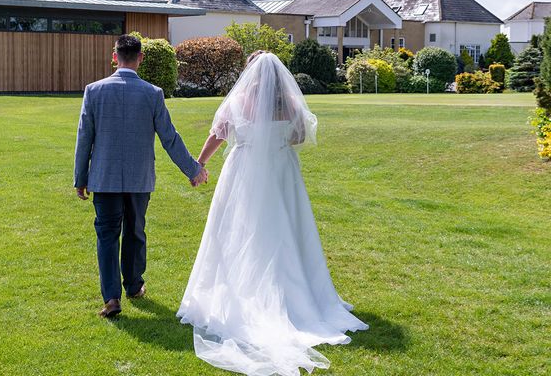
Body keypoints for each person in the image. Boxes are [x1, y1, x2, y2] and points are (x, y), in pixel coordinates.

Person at [178, 51, 368, 375]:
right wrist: (276, 140)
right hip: (281, 172)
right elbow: (300, 136)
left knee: (237, 232)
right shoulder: (289, 104)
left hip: (244, 172)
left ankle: (243, 291)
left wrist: (200, 163)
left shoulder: (238, 100)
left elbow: (218, 134)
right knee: (285, 230)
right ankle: (296, 294)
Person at [74, 34, 208, 318]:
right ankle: (134, 286)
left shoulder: (94, 91)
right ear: (140, 58)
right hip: (139, 178)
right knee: (135, 233)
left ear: (115, 57)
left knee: (107, 236)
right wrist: (193, 170)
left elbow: (84, 137)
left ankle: (111, 298)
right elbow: (169, 138)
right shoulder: (152, 93)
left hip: (104, 177)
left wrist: (80, 177)